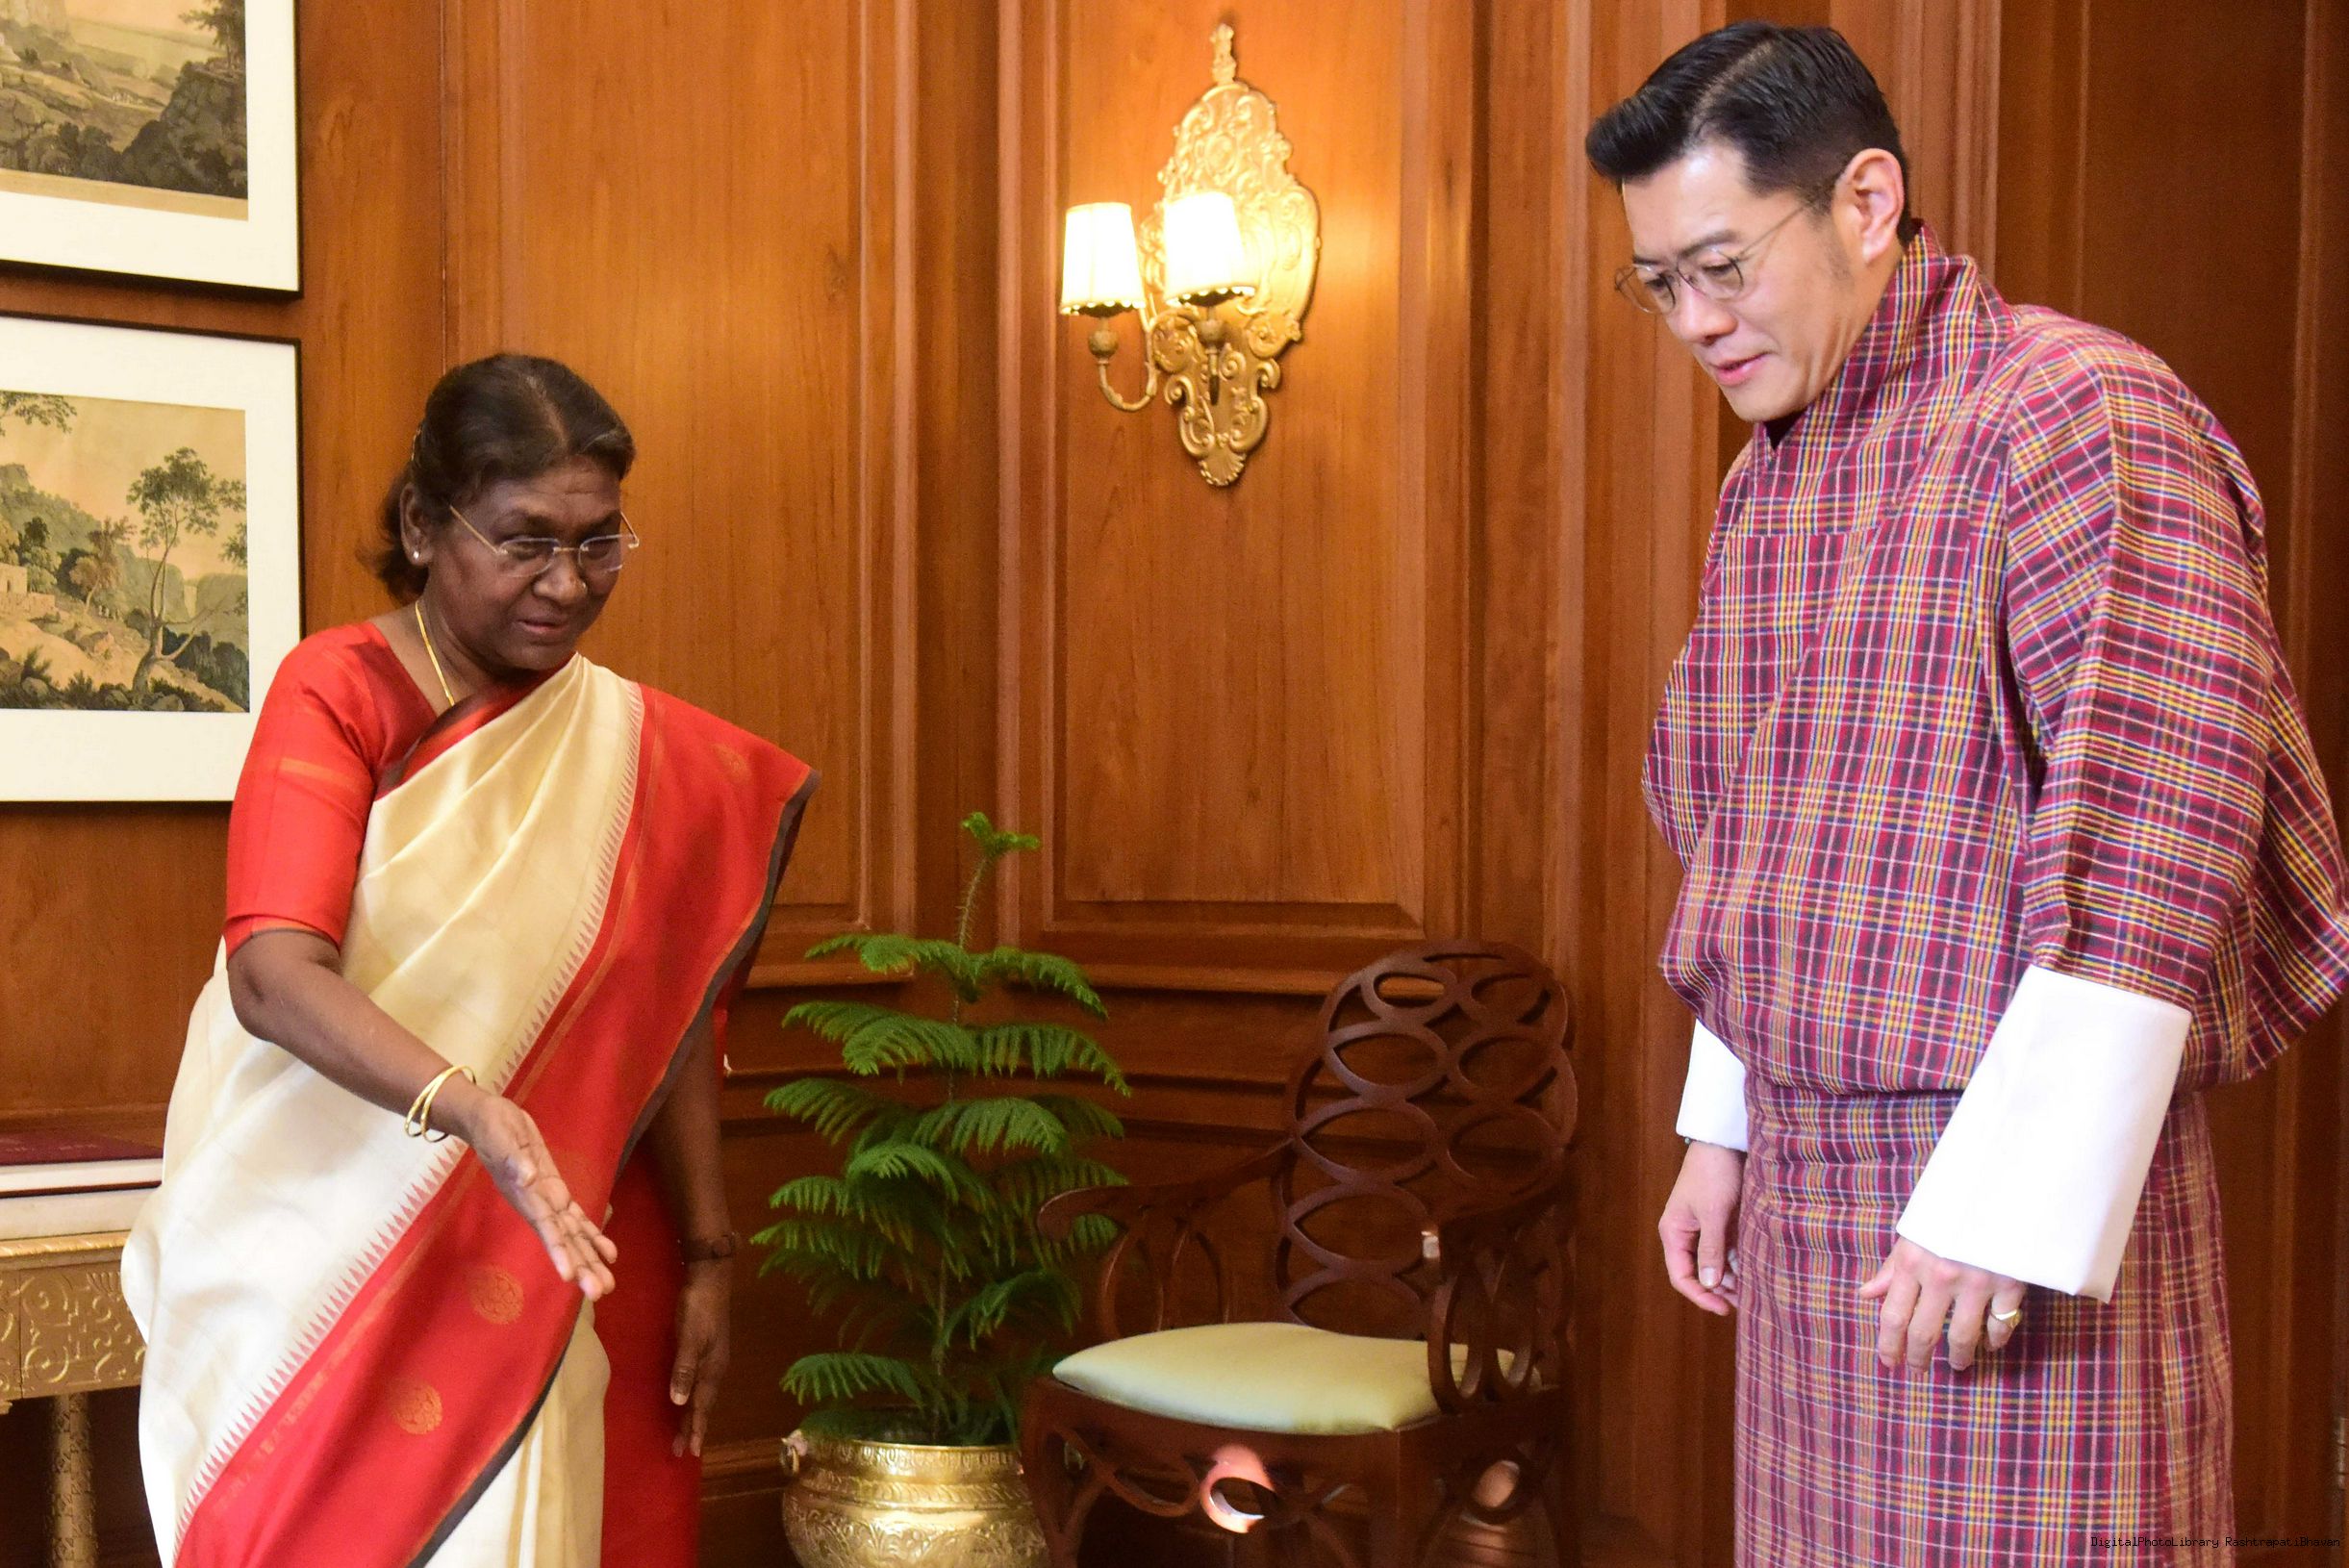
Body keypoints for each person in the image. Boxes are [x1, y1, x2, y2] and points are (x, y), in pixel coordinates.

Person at [1586, 23, 2349, 1565]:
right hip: (1802, 1186)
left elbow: (2160, 818)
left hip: (2008, 1205)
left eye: (1721, 265)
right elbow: (1754, 824)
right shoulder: (1769, 470)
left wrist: (1999, 1205)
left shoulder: (2076, 408)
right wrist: (1720, 1127)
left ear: (1865, 202)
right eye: (1657, 282)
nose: (1695, 320)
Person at [122, 354, 818, 1567]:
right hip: (317, 1251)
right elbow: (273, 973)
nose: (567, 582)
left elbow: (662, 1017)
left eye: (598, 543)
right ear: (421, 524)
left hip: (531, 1255)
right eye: (525, 541)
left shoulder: (633, 748)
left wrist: (710, 1253)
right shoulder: (337, 690)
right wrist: (474, 1111)